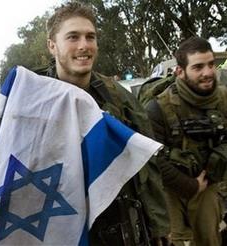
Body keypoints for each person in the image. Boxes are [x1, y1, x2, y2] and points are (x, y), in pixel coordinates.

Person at [35, 2, 169, 245]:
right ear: (52, 45)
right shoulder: (33, 101)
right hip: (60, 228)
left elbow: (146, 164)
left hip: (120, 224)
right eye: (73, 37)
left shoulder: (118, 96)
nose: (84, 45)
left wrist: (158, 224)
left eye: (90, 37)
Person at [146, 37, 227, 245]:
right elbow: (152, 159)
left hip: (211, 185)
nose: (208, 72)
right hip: (173, 190)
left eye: (211, 64)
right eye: (198, 67)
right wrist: (191, 186)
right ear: (180, 72)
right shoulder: (159, 108)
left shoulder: (224, 98)